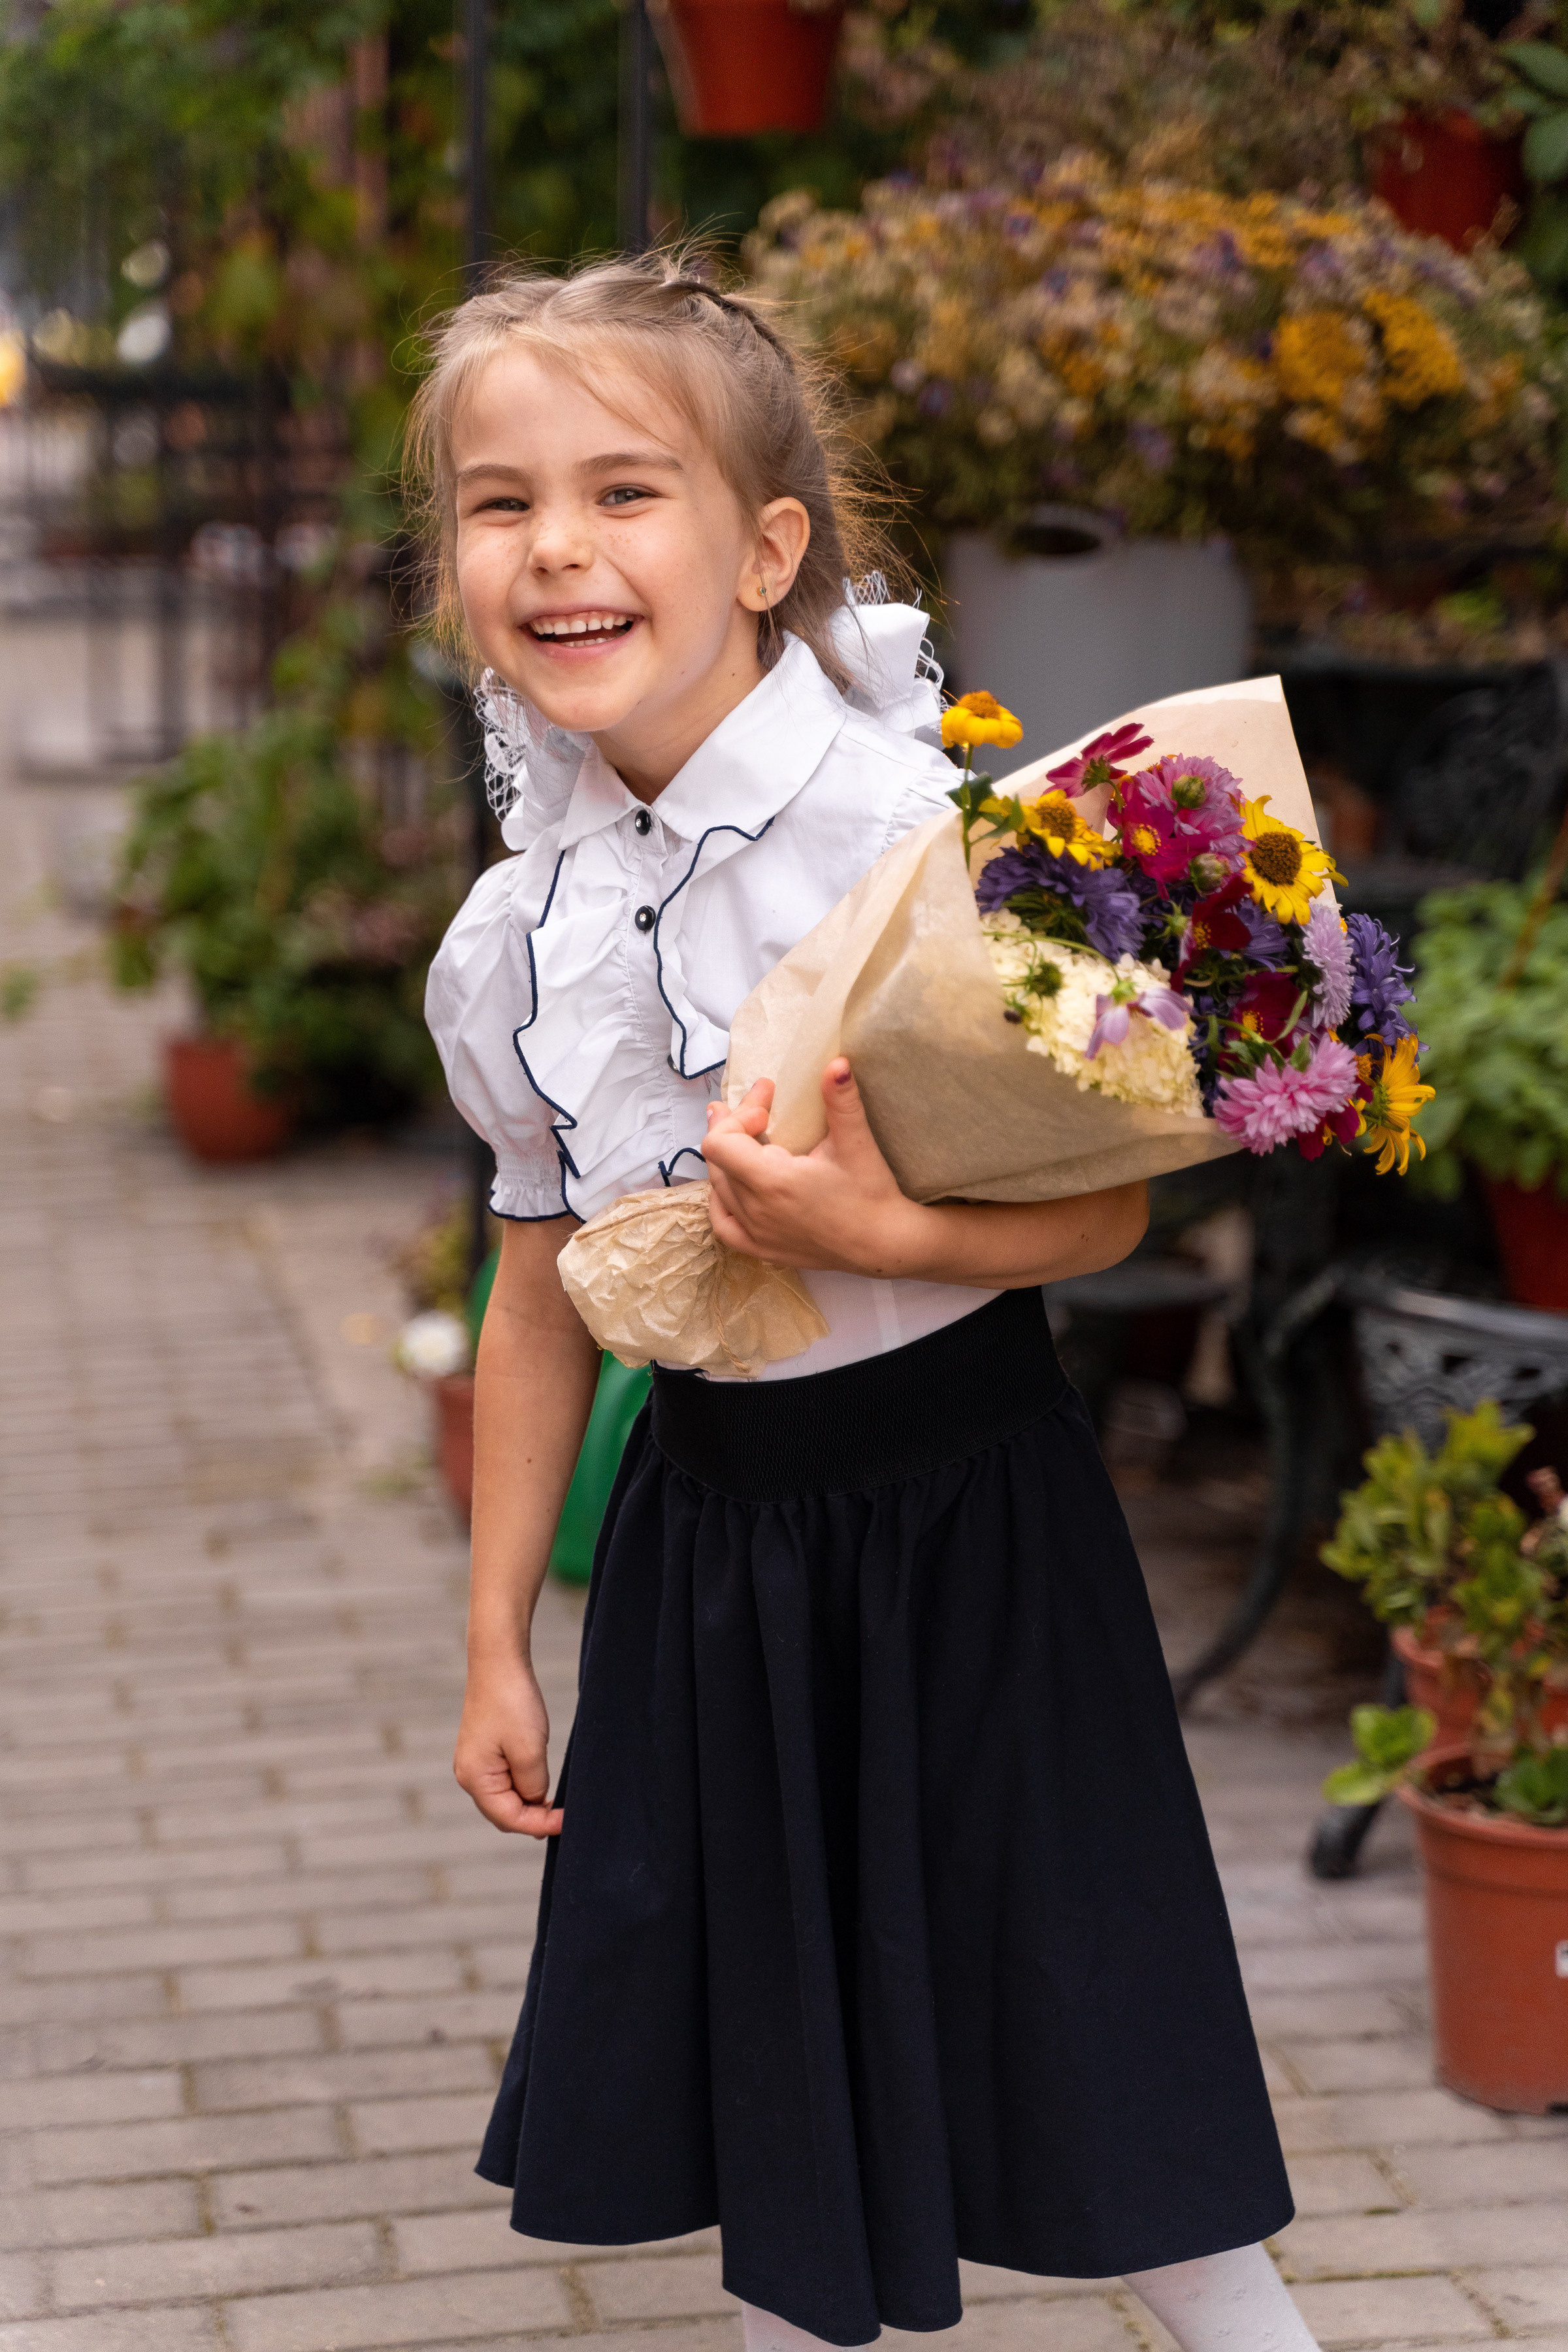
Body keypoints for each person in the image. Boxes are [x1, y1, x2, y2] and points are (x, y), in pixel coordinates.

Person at [415, 252, 1315, 2352]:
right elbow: (538, 1277)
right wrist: (493, 1633)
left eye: (626, 492)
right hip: (709, 1555)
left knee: (1099, 2069)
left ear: (767, 549)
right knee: (777, 2106)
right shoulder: (512, 932)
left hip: (970, 1530)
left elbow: (1100, 1226)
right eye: (495, 501)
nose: (557, 546)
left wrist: (883, 1240)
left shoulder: (914, 849)